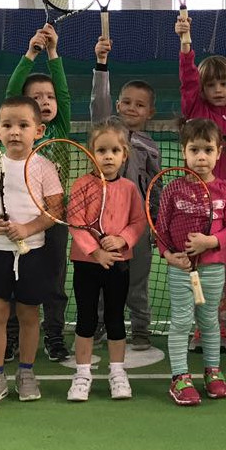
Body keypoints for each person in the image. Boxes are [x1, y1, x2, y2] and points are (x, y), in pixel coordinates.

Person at [0, 96, 62, 406]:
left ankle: (26, 372)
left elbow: (54, 212)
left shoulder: (44, 167)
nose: (14, 132)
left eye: (23, 125)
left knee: (28, 315)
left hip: (32, 254)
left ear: (38, 130)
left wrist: (27, 229)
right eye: (7, 125)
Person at [176, 16, 226, 352]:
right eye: (211, 85)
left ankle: (219, 327)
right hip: (191, 207)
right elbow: (188, 81)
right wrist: (186, 43)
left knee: (224, 269)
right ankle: (198, 328)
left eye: (224, 84)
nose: (217, 90)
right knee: (194, 266)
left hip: (225, 210)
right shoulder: (197, 113)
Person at [157, 118, 226, 406]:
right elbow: (162, 230)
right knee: (181, 322)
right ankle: (180, 377)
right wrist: (169, 256)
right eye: (194, 149)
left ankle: (212, 372)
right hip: (181, 269)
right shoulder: (172, 189)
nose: (201, 156)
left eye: (208, 150)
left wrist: (210, 242)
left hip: (213, 268)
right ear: (184, 152)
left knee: (209, 321)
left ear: (219, 152)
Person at [66, 119, 147, 401]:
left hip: (119, 263)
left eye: (114, 151)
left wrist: (123, 239)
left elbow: (138, 221)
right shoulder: (81, 185)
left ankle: (117, 372)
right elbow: (75, 223)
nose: (108, 156)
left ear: (124, 154)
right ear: (91, 153)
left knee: (115, 318)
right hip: (86, 265)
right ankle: (82, 374)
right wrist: (95, 251)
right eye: (101, 151)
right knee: (86, 319)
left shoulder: (128, 188)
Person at [5, 26, 72, 362]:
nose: (45, 101)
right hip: (22, 217)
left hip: (56, 217)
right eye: (37, 98)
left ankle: (55, 334)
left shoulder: (60, 129)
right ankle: (13, 335)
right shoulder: (27, 131)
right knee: (19, 278)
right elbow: (12, 91)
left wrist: (53, 53)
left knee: (55, 278)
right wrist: (31, 53)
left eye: (50, 97)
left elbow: (63, 88)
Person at [91, 36, 161, 351]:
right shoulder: (108, 131)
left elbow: (156, 187)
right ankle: (101, 326)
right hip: (104, 227)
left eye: (140, 104)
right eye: (126, 102)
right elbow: (98, 102)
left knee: (137, 283)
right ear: (117, 105)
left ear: (150, 112)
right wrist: (101, 65)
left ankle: (142, 329)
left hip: (139, 227)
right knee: (104, 279)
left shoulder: (150, 146)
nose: (132, 108)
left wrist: (157, 223)